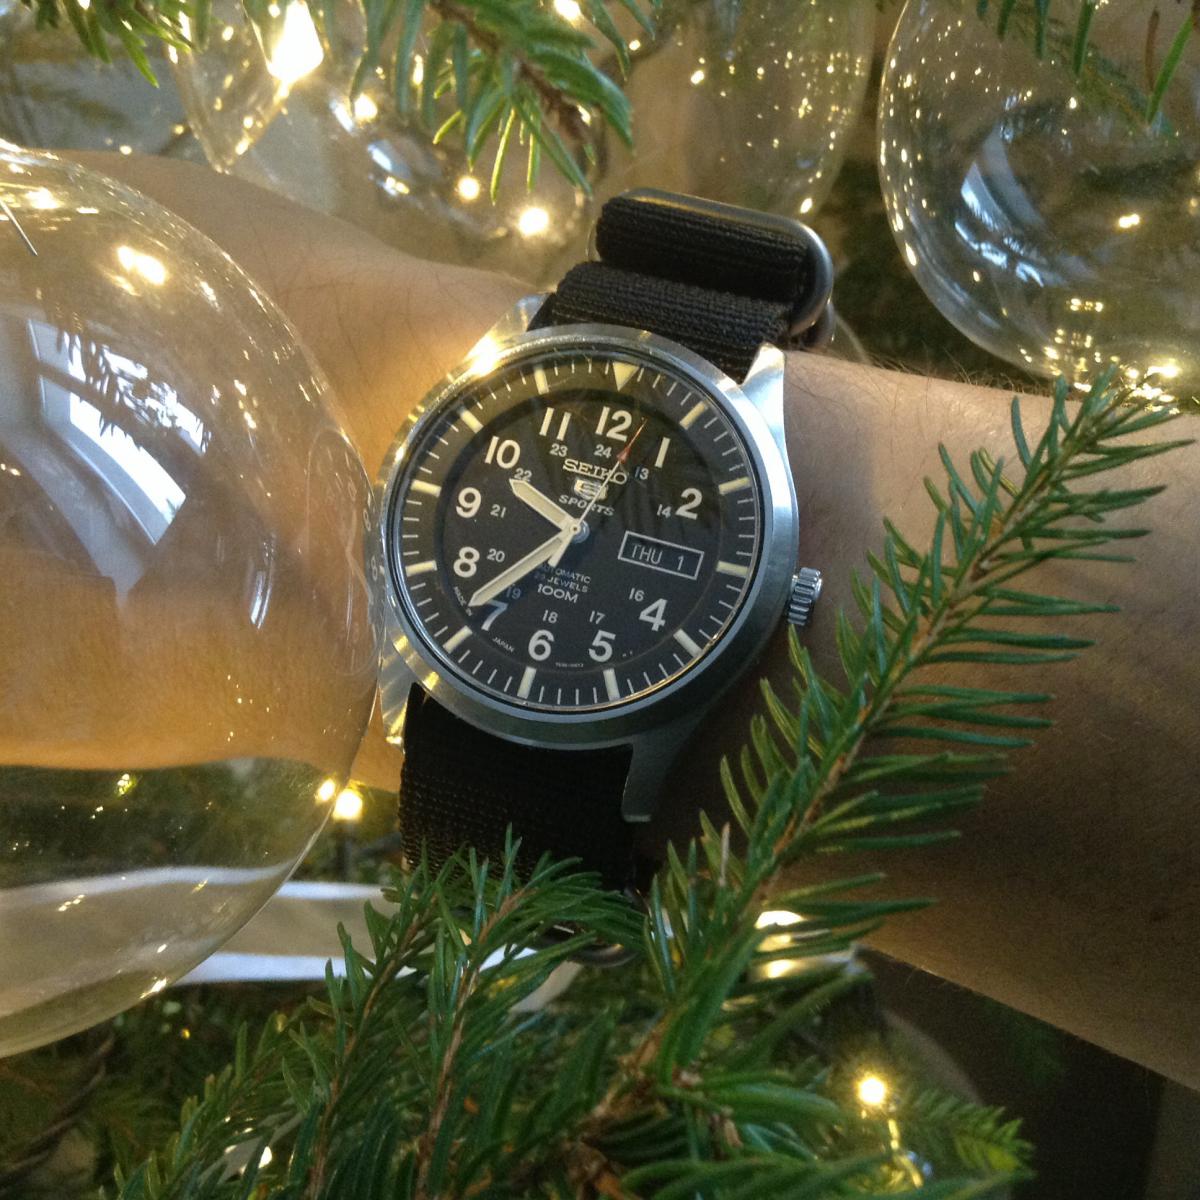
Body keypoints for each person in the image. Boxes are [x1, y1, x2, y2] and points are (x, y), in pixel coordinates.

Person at [74, 153, 1200, 1092]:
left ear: (792, 592)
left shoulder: (745, 466)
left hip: (575, 687)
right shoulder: (492, 492)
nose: (569, 542)